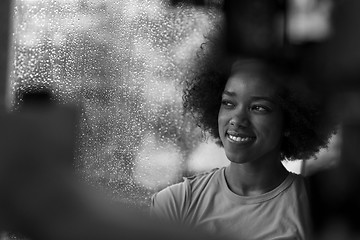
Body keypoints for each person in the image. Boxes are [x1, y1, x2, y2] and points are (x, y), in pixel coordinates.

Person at [150, 58, 337, 240]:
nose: (237, 119)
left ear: (289, 121)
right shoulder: (176, 203)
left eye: (258, 108)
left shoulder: (314, 210)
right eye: (228, 103)